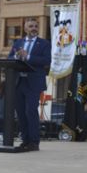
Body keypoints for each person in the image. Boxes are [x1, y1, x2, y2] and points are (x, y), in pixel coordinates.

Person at [7, 16, 51, 152]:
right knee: (20, 113)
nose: (34, 29)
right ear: (25, 29)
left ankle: (34, 141)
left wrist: (28, 57)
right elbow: (9, 58)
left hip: (33, 83)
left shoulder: (44, 43)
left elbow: (46, 60)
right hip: (19, 81)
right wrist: (16, 57)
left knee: (30, 111)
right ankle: (25, 140)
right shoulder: (18, 43)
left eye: (35, 26)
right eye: (31, 26)